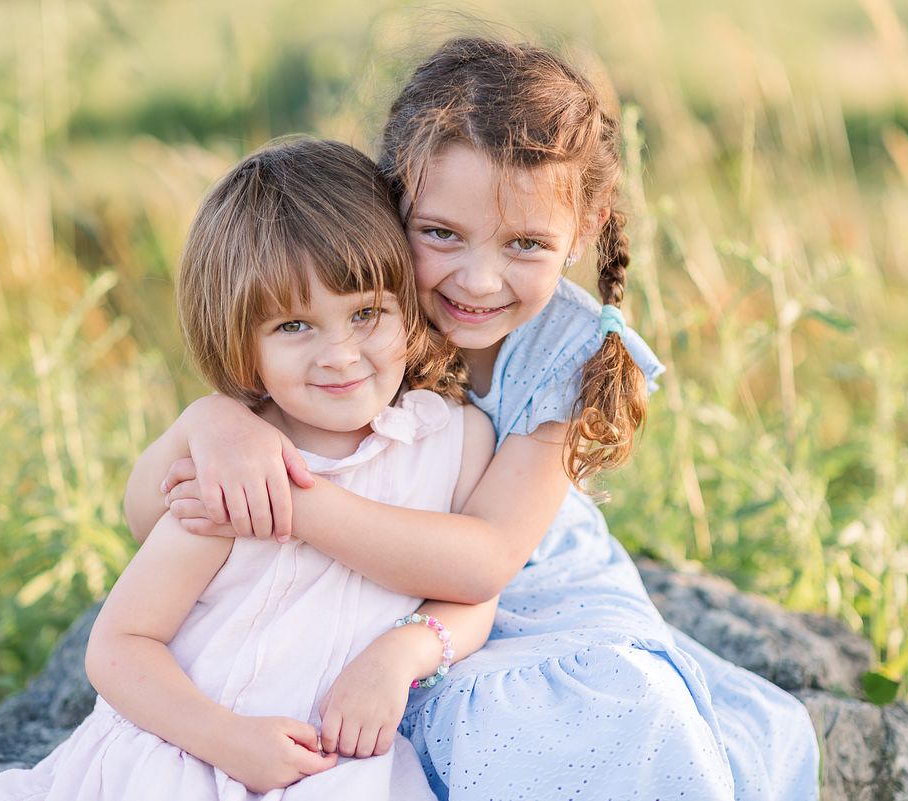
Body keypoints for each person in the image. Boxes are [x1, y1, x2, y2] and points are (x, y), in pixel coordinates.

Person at [127, 38, 820, 800]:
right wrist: (214, 422)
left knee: (579, 723)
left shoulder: (567, 353)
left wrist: (292, 500)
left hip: (531, 614)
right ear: (393, 204)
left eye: (525, 244)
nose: (478, 280)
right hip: (382, 599)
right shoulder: (358, 323)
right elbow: (143, 514)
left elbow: (485, 559)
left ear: (584, 229)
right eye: (441, 234)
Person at [0, 138, 499, 801]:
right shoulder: (236, 470)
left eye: (365, 313)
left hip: (338, 767)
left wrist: (404, 654)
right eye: (294, 326)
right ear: (241, 342)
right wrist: (230, 741)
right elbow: (120, 643)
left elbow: (471, 592)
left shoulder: (452, 440)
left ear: (406, 307)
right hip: (188, 751)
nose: (340, 355)